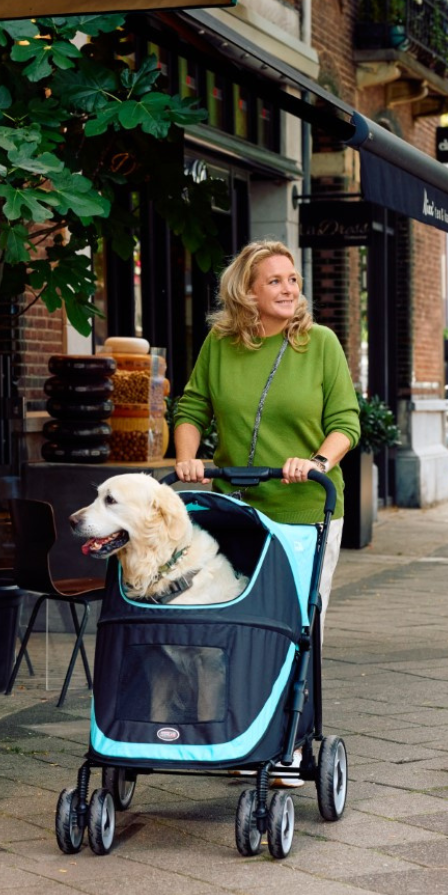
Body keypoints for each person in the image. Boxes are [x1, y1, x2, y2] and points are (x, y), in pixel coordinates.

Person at [173, 238, 360, 634]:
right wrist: (187, 459)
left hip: (305, 509)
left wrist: (316, 463)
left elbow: (345, 423)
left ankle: (300, 678)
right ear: (247, 291)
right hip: (235, 509)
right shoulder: (220, 344)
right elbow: (192, 408)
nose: (289, 289)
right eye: (275, 281)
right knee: (237, 620)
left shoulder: (320, 343)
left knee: (298, 623)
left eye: (293, 279)